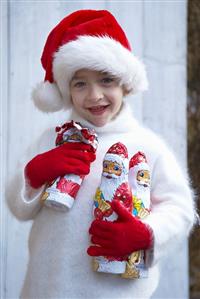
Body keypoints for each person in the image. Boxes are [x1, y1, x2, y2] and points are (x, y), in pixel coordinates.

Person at [6, 9, 195, 299]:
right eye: (80, 83)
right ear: (66, 89)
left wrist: (146, 234)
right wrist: (34, 172)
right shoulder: (52, 139)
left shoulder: (147, 145)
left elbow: (180, 209)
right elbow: (18, 205)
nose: (94, 95)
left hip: (118, 291)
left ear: (125, 83)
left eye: (106, 79)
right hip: (49, 287)